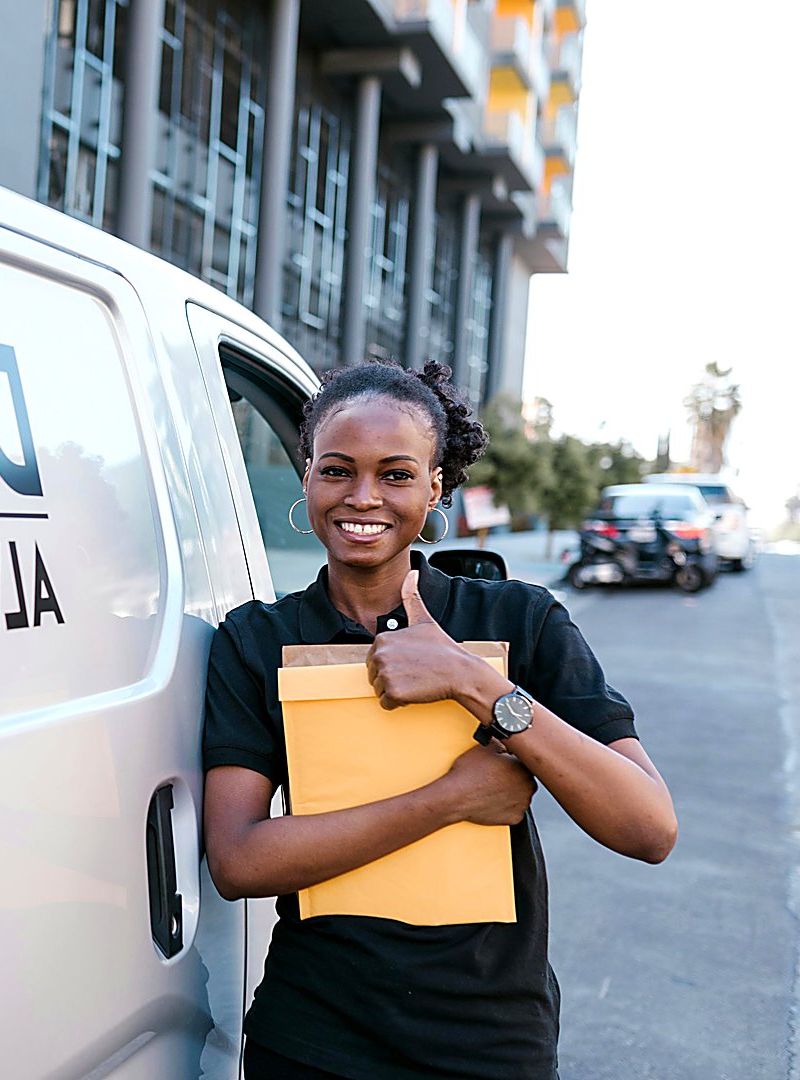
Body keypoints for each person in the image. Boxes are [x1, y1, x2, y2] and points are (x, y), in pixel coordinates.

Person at [202, 359, 677, 1080]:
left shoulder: (521, 620)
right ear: (306, 477)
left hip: (489, 1042)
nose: (363, 497)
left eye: (396, 474)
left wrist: (474, 683)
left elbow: (648, 828)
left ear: (437, 487)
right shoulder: (255, 640)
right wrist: (449, 799)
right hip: (313, 1039)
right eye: (337, 470)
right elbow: (238, 861)